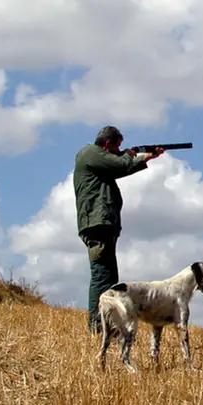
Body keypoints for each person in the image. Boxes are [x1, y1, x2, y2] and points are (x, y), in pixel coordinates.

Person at [73, 125, 164, 335]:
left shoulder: (94, 158)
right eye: (116, 146)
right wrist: (136, 156)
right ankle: (97, 325)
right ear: (107, 145)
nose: (118, 150)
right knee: (102, 276)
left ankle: (106, 324)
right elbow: (121, 164)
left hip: (100, 223)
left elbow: (121, 166)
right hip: (97, 223)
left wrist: (145, 157)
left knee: (109, 277)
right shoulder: (90, 154)